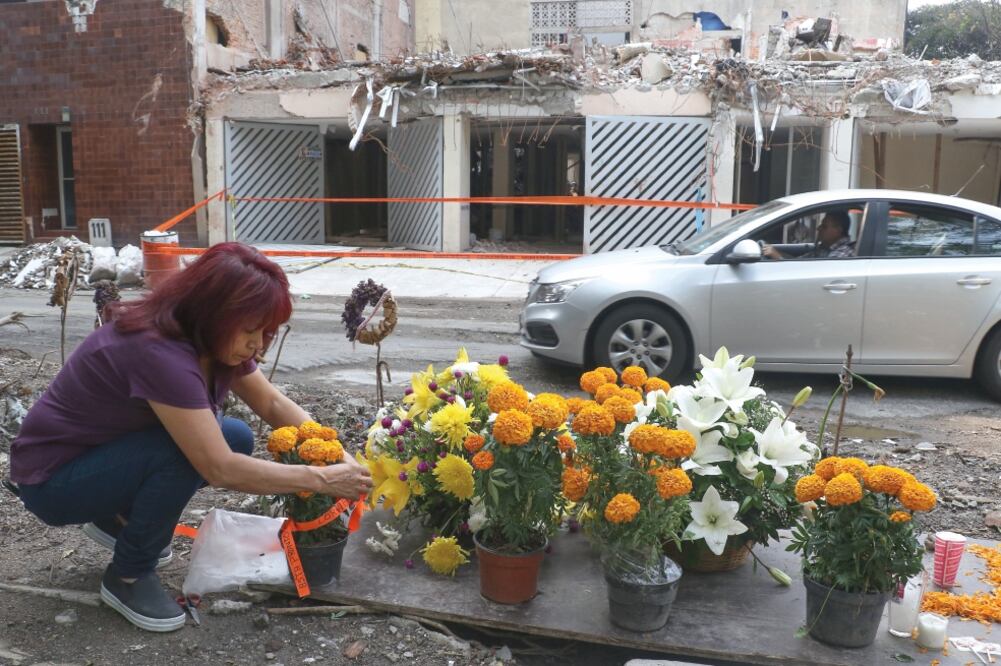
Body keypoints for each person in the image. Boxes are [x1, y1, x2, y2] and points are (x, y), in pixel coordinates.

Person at [8, 243, 373, 632]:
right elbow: (218, 468)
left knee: (233, 435)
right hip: (53, 481)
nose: (259, 344)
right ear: (213, 312)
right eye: (251, 330)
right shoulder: (159, 352)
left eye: (267, 331)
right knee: (186, 452)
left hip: (99, 459)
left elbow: (270, 402)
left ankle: (118, 519)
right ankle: (128, 575)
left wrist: (340, 457)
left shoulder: (212, 339)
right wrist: (321, 479)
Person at [763, 211, 855, 260]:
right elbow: (799, 262)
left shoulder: (842, 253)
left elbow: (807, 273)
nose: (818, 228)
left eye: (824, 226)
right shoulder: (824, 248)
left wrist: (778, 257)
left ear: (838, 230)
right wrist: (778, 253)